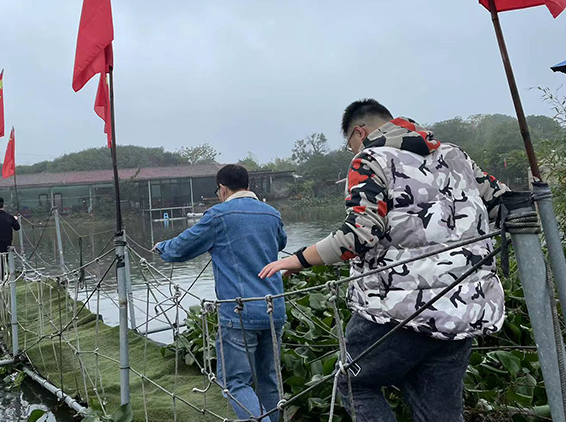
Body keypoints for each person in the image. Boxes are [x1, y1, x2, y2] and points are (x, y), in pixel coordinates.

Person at [260, 99, 508, 422]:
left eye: (350, 145)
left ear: (359, 133)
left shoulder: (369, 159)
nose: (353, 152)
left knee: (353, 383)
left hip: (395, 311)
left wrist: (298, 259)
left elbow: (359, 235)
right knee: (440, 414)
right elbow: (504, 203)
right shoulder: (455, 155)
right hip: (462, 309)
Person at [154, 164, 287, 422]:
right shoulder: (272, 214)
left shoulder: (218, 215)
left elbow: (181, 248)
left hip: (239, 312)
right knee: (270, 380)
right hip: (274, 309)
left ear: (222, 189)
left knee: (235, 382)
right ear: (248, 185)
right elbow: (280, 243)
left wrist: (161, 248)